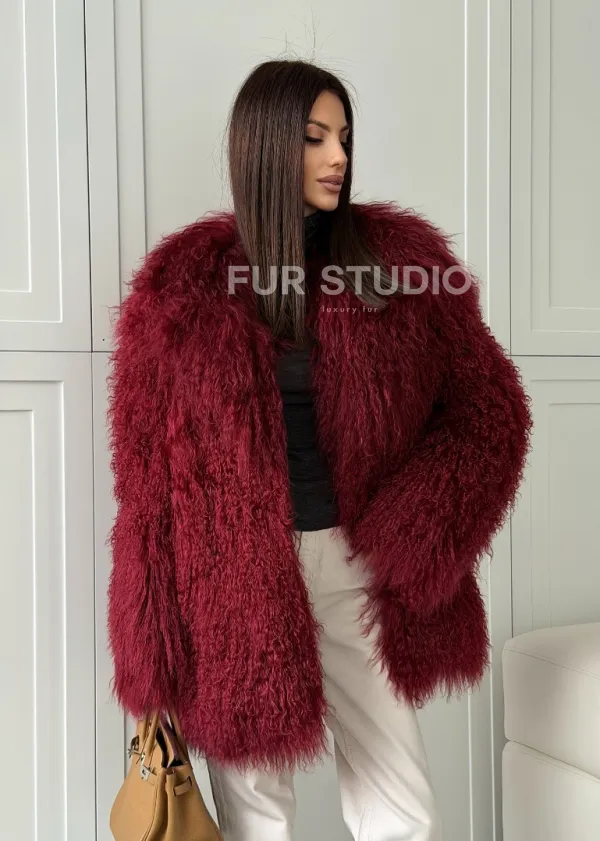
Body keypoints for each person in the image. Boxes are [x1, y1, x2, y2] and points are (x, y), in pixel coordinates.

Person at [106, 59, 533, 841]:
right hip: (231, 576)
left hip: (354, 562)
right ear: (264, 144)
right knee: (256, 813)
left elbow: (491, 412)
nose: (338, 156)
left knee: (403, 811)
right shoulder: (183, 283)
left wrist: (411, 534)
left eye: (343, 136)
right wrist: (150, 650)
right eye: (314, 137)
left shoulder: (402, 266)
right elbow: (145, 483)